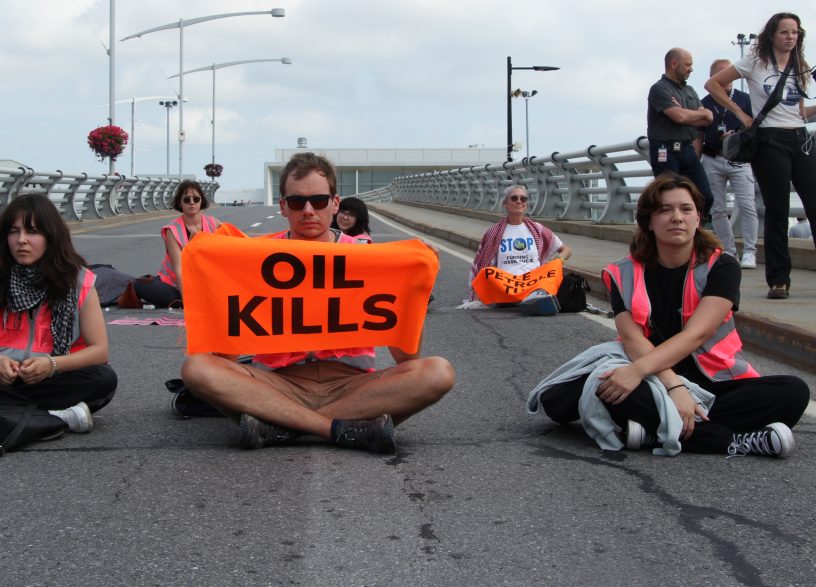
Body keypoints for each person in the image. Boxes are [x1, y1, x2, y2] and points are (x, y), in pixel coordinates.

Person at [180, 152, 455, 454]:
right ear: (283, 206)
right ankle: (337, 429)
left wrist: (416, 287)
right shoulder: (255, 254)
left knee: (438, 372)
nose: (308, 210)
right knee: (198, 368)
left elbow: (407, 359)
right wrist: (214, 277)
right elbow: (227, 360)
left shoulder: (368, 257)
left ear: (335, 204)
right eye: (297, 202)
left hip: (351, 383)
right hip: (278, 382)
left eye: (319, 201)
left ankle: (282, 426)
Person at [528, 174, 809, 457]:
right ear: (649, 221)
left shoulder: (721, 266)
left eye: (686, 209)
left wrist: (662, 384)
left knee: (793, 392)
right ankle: (736, 441)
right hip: (652, 376)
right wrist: (671, 386)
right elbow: (631, 339)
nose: (677, 217)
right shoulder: (620, 272)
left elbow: (695, 334)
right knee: (595, 391)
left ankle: (654, 431)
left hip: (714, 382)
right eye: (665, 210)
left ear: (698, 218)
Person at [0, 193, 117, 434]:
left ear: (51, 237)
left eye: (32, 232)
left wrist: (51, 364)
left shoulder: (78, 281)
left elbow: (99, 351)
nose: (22, 240)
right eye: (14, 232)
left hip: (50, 377)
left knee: (103, 378)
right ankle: (54, 416)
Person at [704, 12, 816, 300]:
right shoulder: (755, 61)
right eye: (785, 32)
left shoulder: (799, 65)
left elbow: (799, 112)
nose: (791, 37)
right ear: (772, 35)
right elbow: (713, 85)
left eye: (795, 32)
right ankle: (779, 280)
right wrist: (741, 113)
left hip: (800, 139)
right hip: (769, 140)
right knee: (777, 211)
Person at [466, 184, 572, 313]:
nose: (519, 201)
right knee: (485, 272)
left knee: (555, 267)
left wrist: (559, 259)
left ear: (526, 204)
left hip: (533, 281)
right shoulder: (494, 232)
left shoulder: (537, 229)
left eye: (523, 199)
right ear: (505, 203)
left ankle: (535, 297)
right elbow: (483, 263)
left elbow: (566, 250)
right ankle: (524, 299)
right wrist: (476, 299)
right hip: (506, 283)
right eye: (514, 198)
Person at [699, 58, 758, 268]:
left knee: (747, 205)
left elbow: (755, 127)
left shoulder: (745, 100)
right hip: (712, 157)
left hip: (739, 159)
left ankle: (750, 251)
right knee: (717, 208)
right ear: (713, 77)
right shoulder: (704, 103)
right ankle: (729, 250)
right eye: (722, 74)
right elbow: (698, 133)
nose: (728, 79)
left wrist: (739, 136)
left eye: (731, 74)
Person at [646, 48, 714, 217]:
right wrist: (690, 114)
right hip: (665, 151)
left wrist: (688, 113)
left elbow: (707, 118)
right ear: (674, 64)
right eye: (688, 65)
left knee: (705, 196)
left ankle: (693, 234)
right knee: (667, 198)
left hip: (687, 149)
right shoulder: (659, 89)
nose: (691, 69)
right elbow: (679, 117)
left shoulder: (689, 90)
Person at [134, 180, 221, 308]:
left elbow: (234, 246)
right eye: (187, 199)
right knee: (141, 285)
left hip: (206, 280)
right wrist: (188, 300)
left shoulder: (214, 223)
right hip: (174, 283)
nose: (192, 202)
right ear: (180, 202)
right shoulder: (172, 230)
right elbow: (179, 269)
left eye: (196, 199)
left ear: (201, 201)